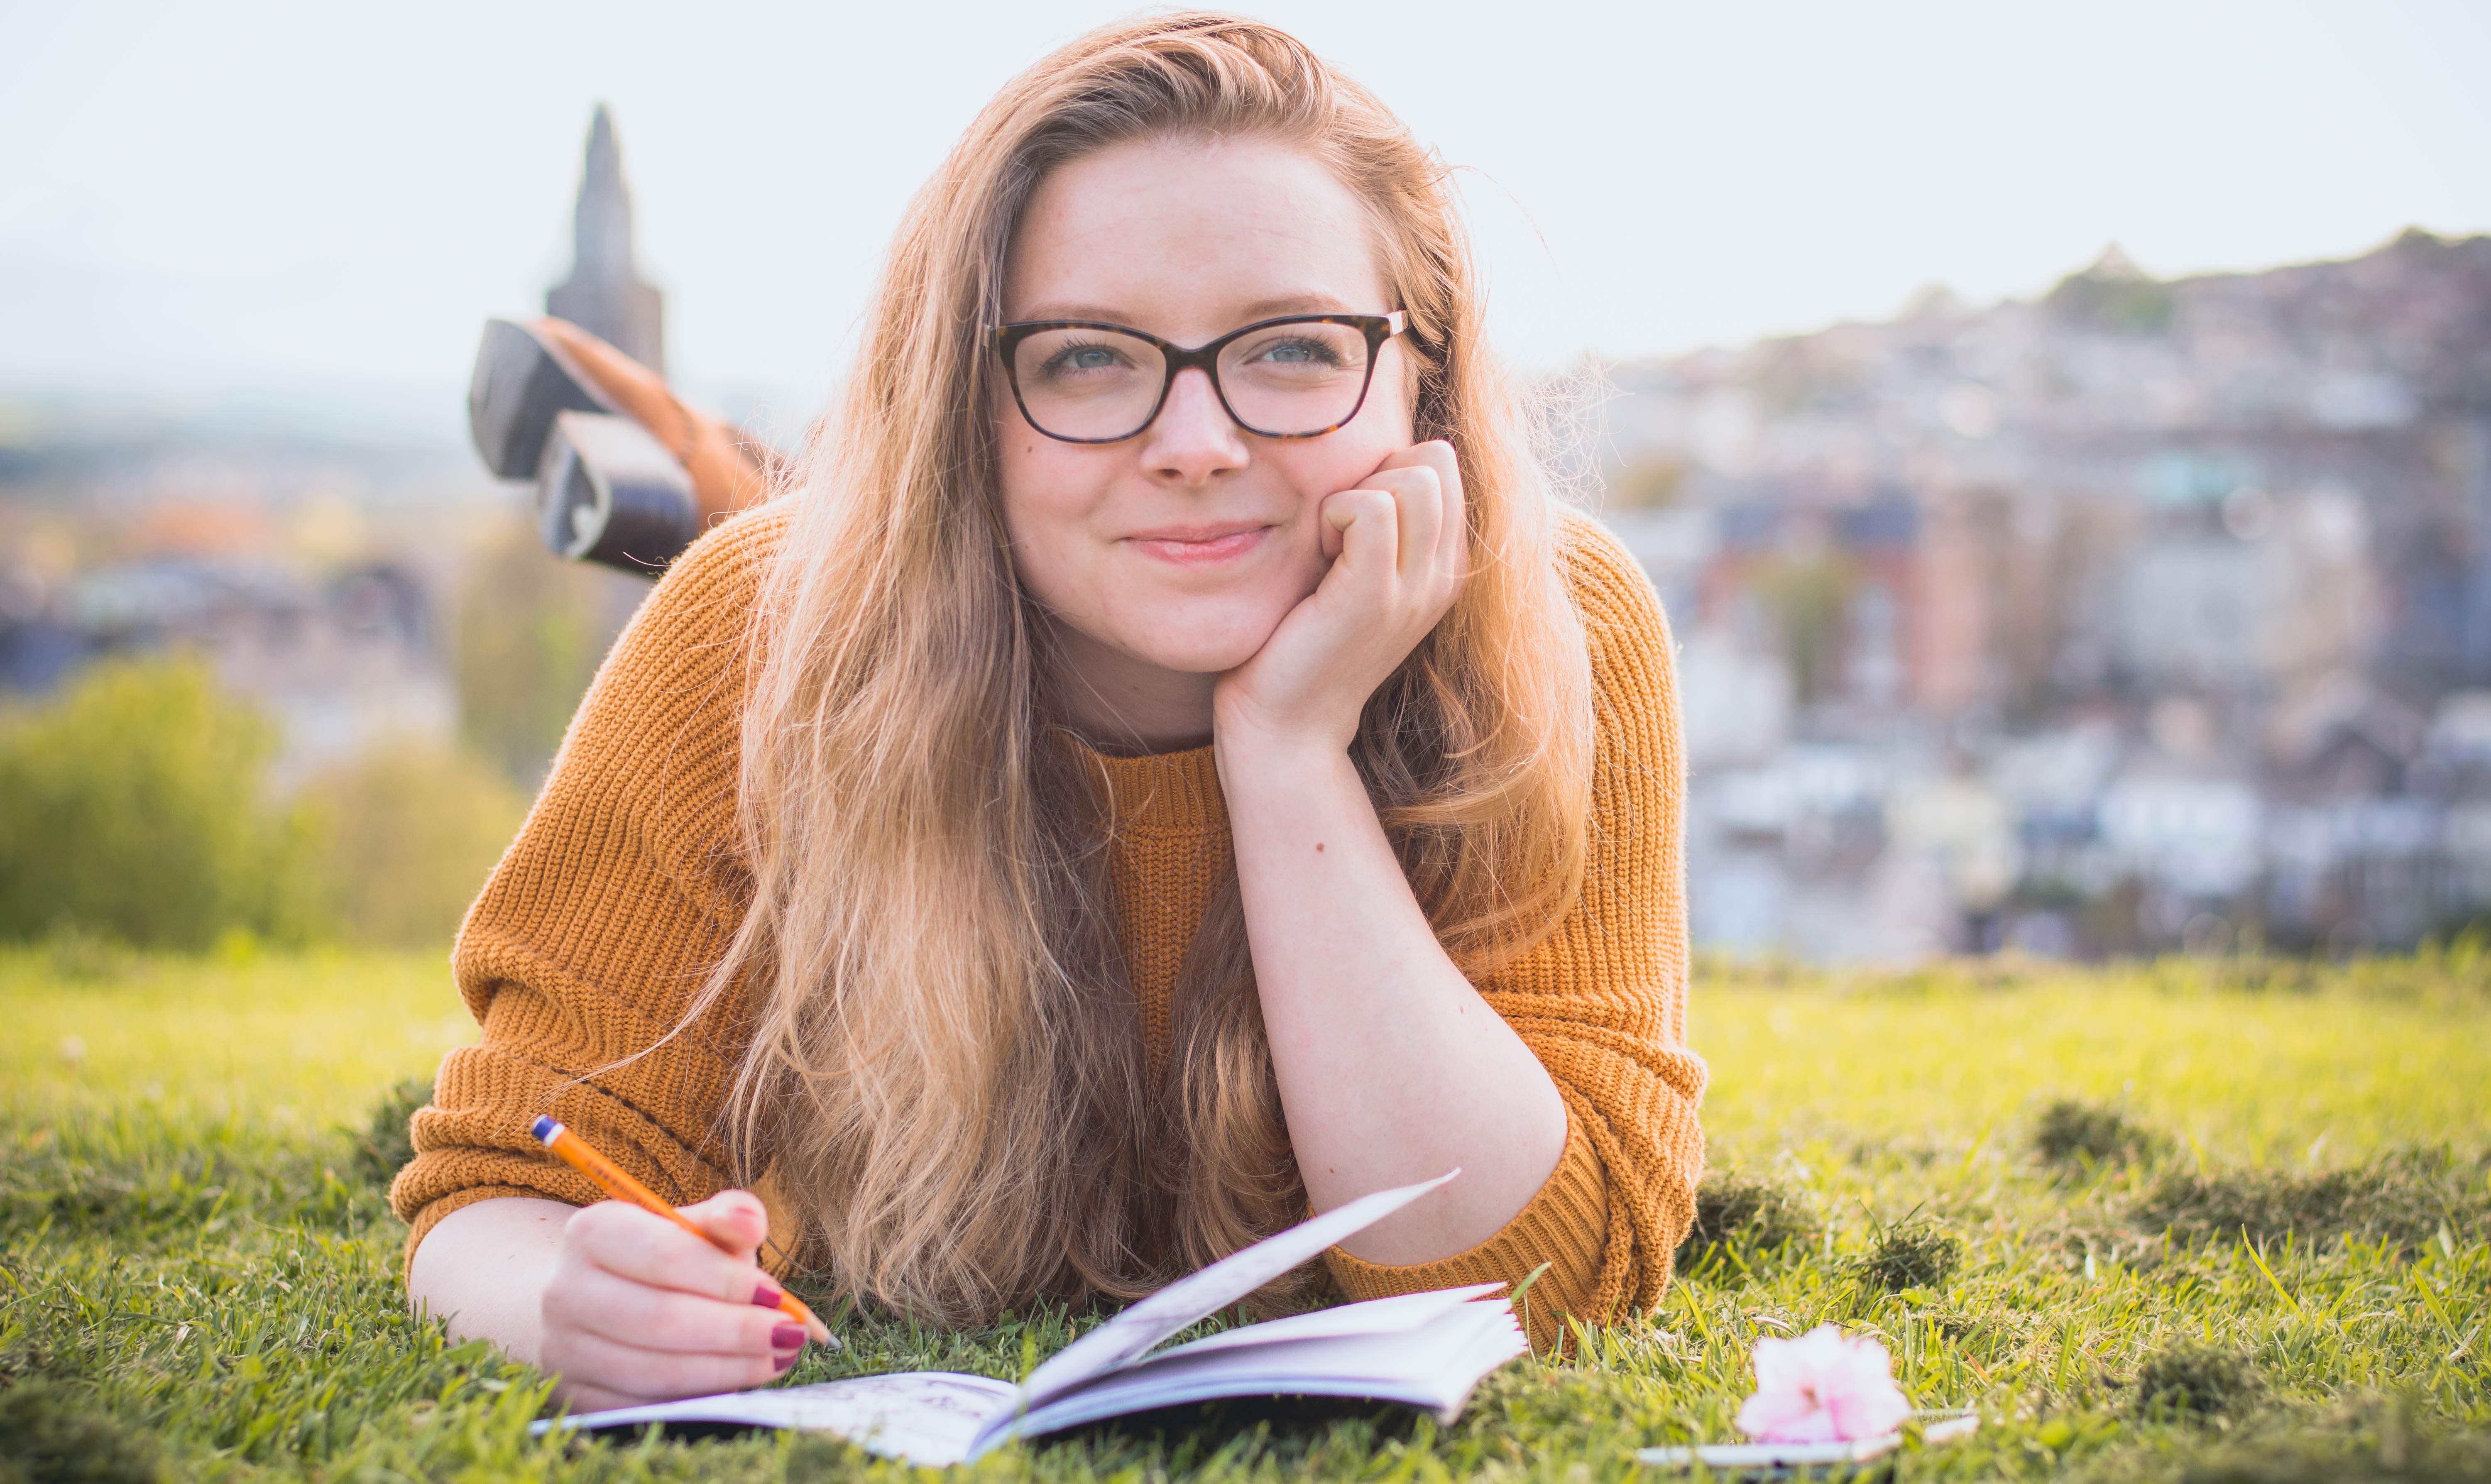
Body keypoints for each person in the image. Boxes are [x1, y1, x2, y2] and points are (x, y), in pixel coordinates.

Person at [397, 11, 1706, 1411]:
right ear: (968, 392)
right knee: (828, 580)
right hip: (884, 585)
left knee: (888, 547)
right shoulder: (749, 635)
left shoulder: (1556, 626)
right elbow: (498, 1190)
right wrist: (569, 1299)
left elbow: (1550, 1284)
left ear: (1423, 377)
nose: (1199, 447)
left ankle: (706, 453)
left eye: (1297, 350)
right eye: (1086, 357)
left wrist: (1288, 752)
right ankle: (730, 471)